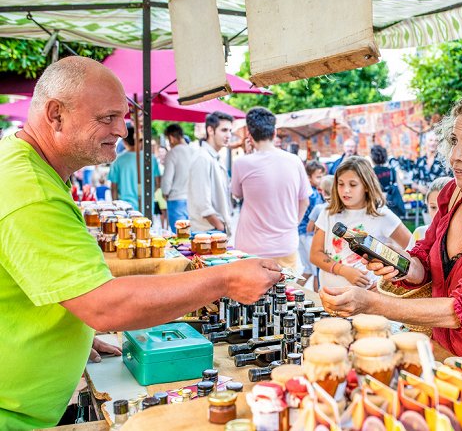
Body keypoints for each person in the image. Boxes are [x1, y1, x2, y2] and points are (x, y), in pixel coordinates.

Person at [0, 56, 281, 430]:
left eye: (122, 116)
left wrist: (74, 334)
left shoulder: (31, 168)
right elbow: (105, 306)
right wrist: (224, 280)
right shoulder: (32, 191)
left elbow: (46, 282)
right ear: (55, 115)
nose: (122, 129)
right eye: (107, 118)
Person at [320, 93, 462, 386]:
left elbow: (460, 310)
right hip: (446, 353)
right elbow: (424, 264)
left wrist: (370, 303)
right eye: (455, 141)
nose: (455, 156)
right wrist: (400, 263)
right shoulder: (454, 193)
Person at [310, 156, 411, 289]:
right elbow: (315, 254)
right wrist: (342, 270)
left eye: (353, 184)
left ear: (367, 186)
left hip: (368, 302)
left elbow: (412, 250)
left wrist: (387, 285)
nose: (345, 190)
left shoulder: (382, 215)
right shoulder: (328, 213)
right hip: (330, 298)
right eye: (341, 184)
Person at [231, 107, 312, 269]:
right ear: (274, 133)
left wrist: (248, 155)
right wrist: (291, 224)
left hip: (251, 246)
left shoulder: (242, 163)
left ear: (250, 136)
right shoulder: (294, 161)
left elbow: (237, 194)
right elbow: (304, 201)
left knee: (251, 293)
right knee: (286, 292)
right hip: (285, 244)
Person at [188, 112, 233, 234]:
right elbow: (203, 204)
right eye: (224, 130)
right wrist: (220, 227)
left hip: (214, 230)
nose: (228, 135)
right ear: (210, 130)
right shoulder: (202, 157)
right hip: (208, 231)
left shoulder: (214, 157)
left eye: (230, 130)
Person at [107, 121, 161, 211]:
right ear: (140, 140)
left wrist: (116, 206)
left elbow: (113, 188)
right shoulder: (150, 158)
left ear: (124, 141)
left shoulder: (117, 160)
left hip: (124, 209)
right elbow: (158, 183)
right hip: (146, 206)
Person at [298, 161, 326, 288]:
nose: (321, 180)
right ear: (308, 178)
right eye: (318, 177)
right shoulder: (313, 195)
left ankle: (290, 293)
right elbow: (315, 221)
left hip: (301, 233)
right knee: (317, 272)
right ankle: (318, 303)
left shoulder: (306, 191)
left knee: (308, 270)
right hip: (309, 235)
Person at [162, 123, 194, 232]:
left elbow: (167, 180)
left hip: (176, 200)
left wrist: (165, 192)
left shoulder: (172, 153)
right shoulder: (194, 152)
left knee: (179, 238)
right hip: (193, 200)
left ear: (171, 138)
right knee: (191, 237)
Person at [407, 176, 454, 249]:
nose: (437, 214)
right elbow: (408, 259)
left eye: (444, 207)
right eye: (433, 207)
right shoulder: (420, 233)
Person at [371, 144, 405, 217]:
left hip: (378, 206)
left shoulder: (371, 172)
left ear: (372, 158)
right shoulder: (392, 171)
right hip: (392, 207)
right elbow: (401, 190)